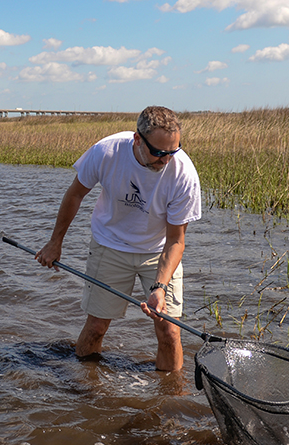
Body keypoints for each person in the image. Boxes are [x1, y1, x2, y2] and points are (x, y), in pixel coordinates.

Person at [35, 106, 201, 371]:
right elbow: (75, 194)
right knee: (97, 327)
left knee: (169, 331)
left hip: (158, 252)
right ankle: (82, 391)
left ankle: (171, 401)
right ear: (138, 140)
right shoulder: (107, 151)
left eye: (172, 151)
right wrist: (56, 242)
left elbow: (176, 241)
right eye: (158, 152)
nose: (165, 160)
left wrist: (159, 287)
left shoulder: (184, 174)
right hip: (110, 244)